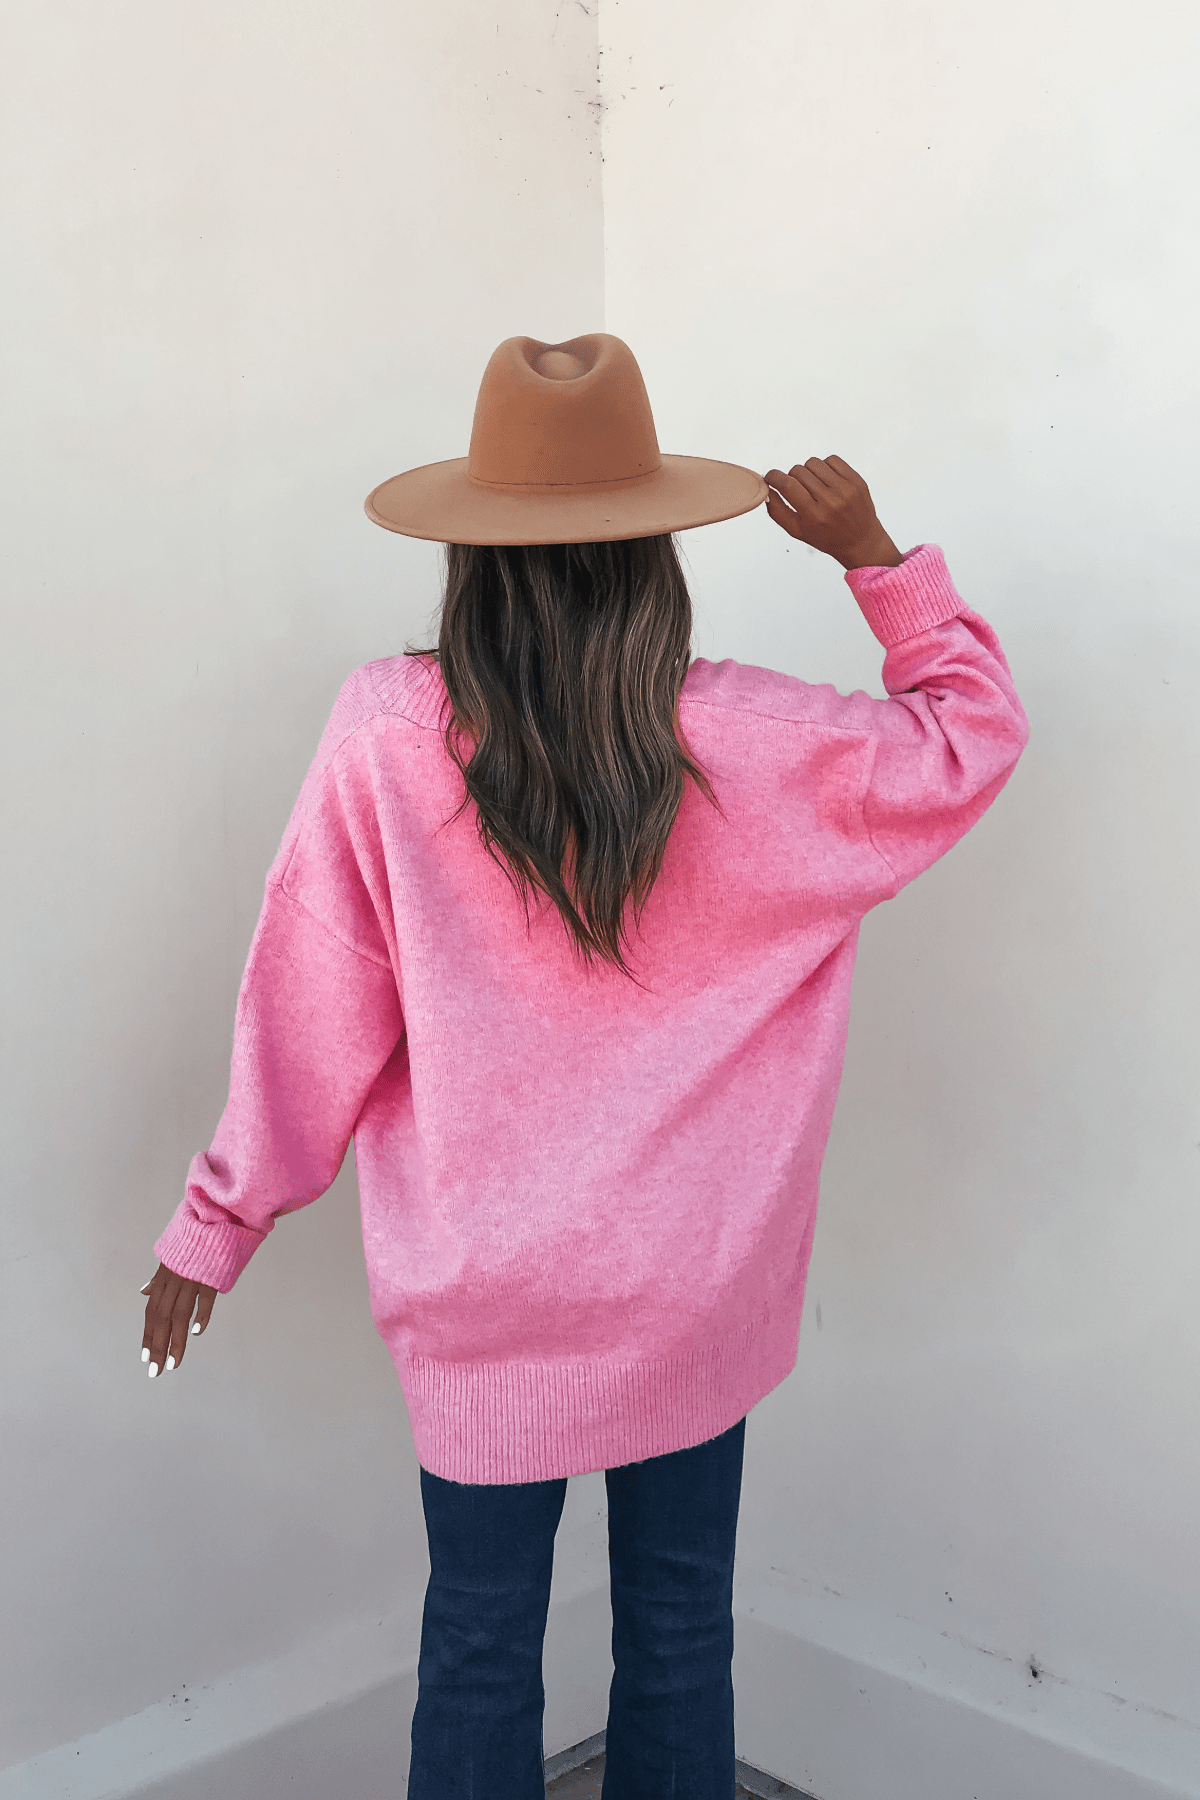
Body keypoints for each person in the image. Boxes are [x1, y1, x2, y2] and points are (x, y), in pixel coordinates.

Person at [138, 333, 1030, 1799]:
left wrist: (215, 1224)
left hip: (480, 1294)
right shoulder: (753, 740)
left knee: (477, 1647)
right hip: (694, 1283)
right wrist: (876, 557)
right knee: (679, 1635)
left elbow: (310, 1004)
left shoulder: (384, 731)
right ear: (656, 551)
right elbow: (970, 737)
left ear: (470, 552)